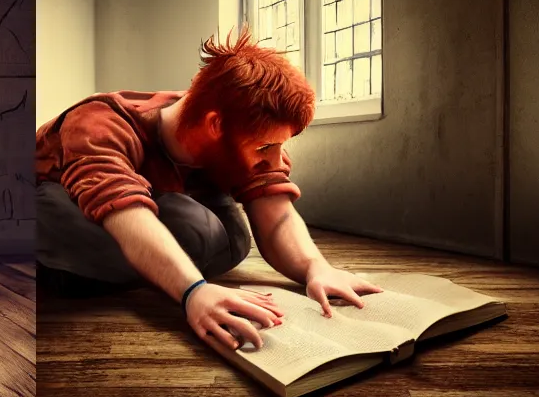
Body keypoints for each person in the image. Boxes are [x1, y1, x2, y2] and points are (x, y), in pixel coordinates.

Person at [36, 26, 383, 353]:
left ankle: (116, 271)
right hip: (46, 201)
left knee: (229, 238)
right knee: (195, 231)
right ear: (215, 124)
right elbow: (124, 215)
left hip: (142, 210)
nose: (275, 160)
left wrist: (316, 268)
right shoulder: (99, 124)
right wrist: (193, 292)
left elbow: (275, 216)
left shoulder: (241, 128)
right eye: (264, 148)